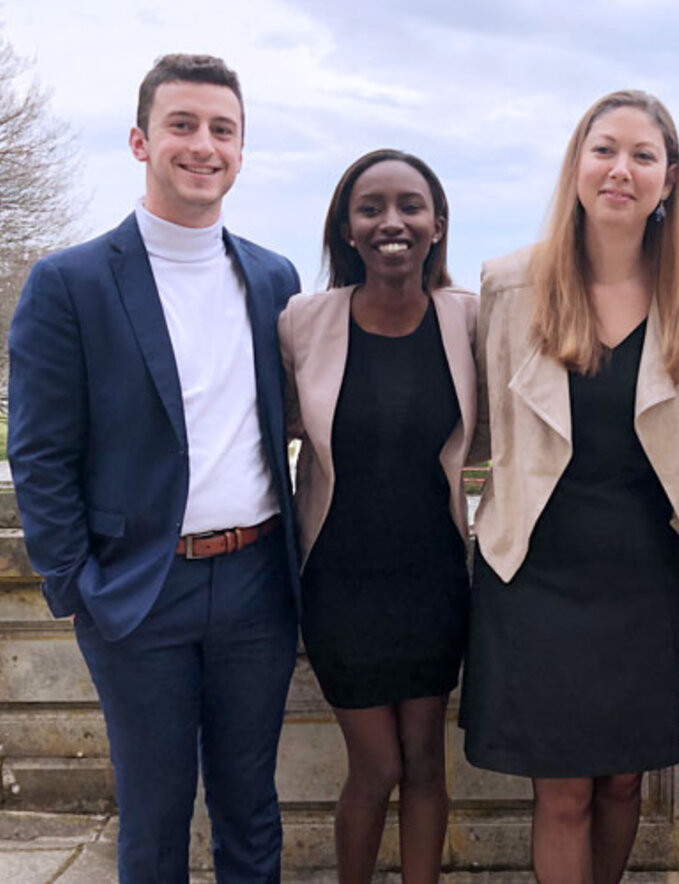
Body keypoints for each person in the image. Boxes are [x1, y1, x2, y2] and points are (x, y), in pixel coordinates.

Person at [8, 54, 300, 882]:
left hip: (256, 584)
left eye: (222, 130)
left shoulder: (273, 278)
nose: (203, 145)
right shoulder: (69, 284)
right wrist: (77, 585)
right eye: (183, 125)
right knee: (154, 817)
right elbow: (39, 452)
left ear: (240, 150)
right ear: (141, 141)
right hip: (138, 591)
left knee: (252, 808)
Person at [460, 89, 679, 884]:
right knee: (563, 789)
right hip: (534, 570)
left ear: (669, 178)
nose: (620, 170)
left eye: (643, 155)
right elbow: (470, 425)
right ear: (577, 164)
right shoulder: (509, 286)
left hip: (643, 576)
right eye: (604, 149)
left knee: (623, 781)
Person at [278, 149, 476, 884]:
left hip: (433, 580)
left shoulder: (468, 319)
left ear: (437, 225)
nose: (392, 221)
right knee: (377, 766)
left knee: (425, 763)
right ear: (347, 229)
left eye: (410, 206)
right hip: (339, 585)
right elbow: (274, 428)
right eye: (371, 208)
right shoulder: (303, 322)